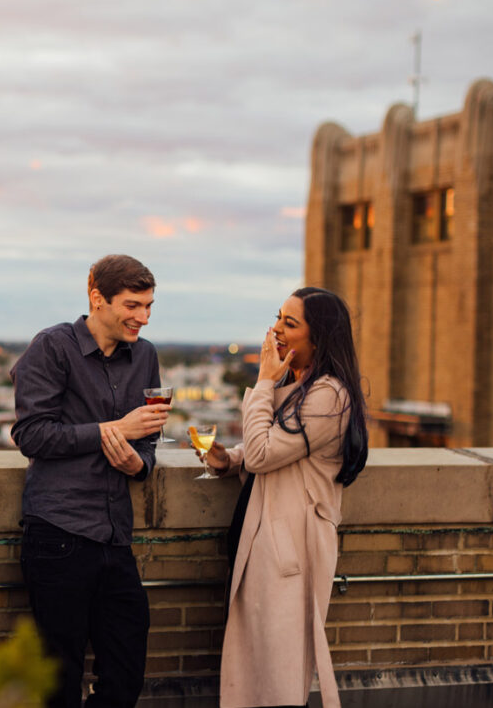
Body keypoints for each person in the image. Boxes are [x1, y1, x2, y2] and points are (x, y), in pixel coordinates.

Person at [10, 254, 171, 708]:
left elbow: (149, 441)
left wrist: (138, 465)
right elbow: (31, 434)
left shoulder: (146, 355)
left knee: (124, 674)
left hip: (115, 535)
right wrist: (112, 429)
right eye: (133, 305)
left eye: (149, 306)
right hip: (58, 532)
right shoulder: (52, 347)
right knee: (58, 680)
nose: (143, 317)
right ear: (97, 298)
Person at [198, 286, 368, 708]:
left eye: (290, 323)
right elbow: (276, 453)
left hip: (289, 546)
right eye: (278, 318)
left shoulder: (329, 394)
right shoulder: (302, 384)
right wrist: (229, 460)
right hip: (264, 537)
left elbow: (264, 452)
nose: (275, 329)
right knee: (256, 665)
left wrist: (261, 383)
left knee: (277, 672)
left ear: (320, 337)